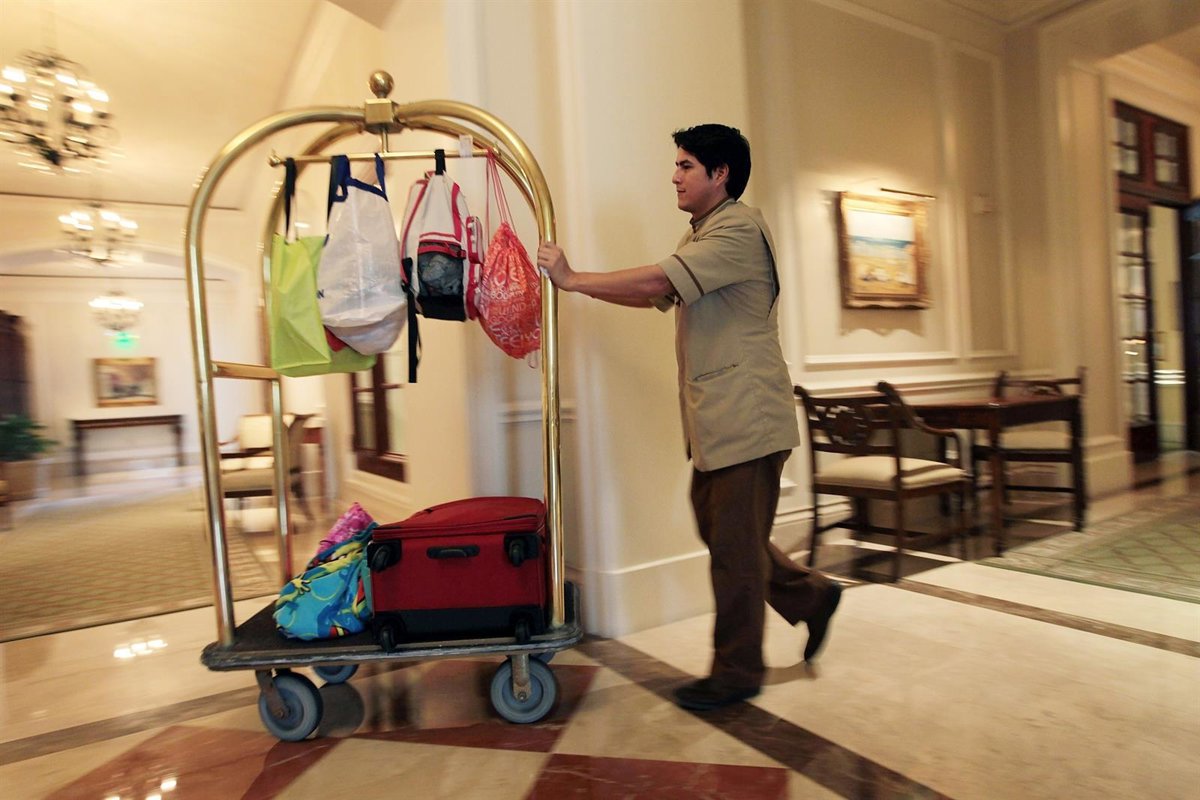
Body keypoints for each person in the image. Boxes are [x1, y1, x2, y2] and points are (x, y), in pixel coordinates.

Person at [536, 124, 842, 711]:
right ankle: (810, 596)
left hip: (747, 416)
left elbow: (657, 278)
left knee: (734, 550)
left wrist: (572, 278)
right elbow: (654, 294)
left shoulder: (736, 229)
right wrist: (578, 289)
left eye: (685, 166)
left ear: (719, 174)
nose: (674, 176)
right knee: (724, 532)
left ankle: (737, 672)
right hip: (720, 418)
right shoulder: (703, 232)